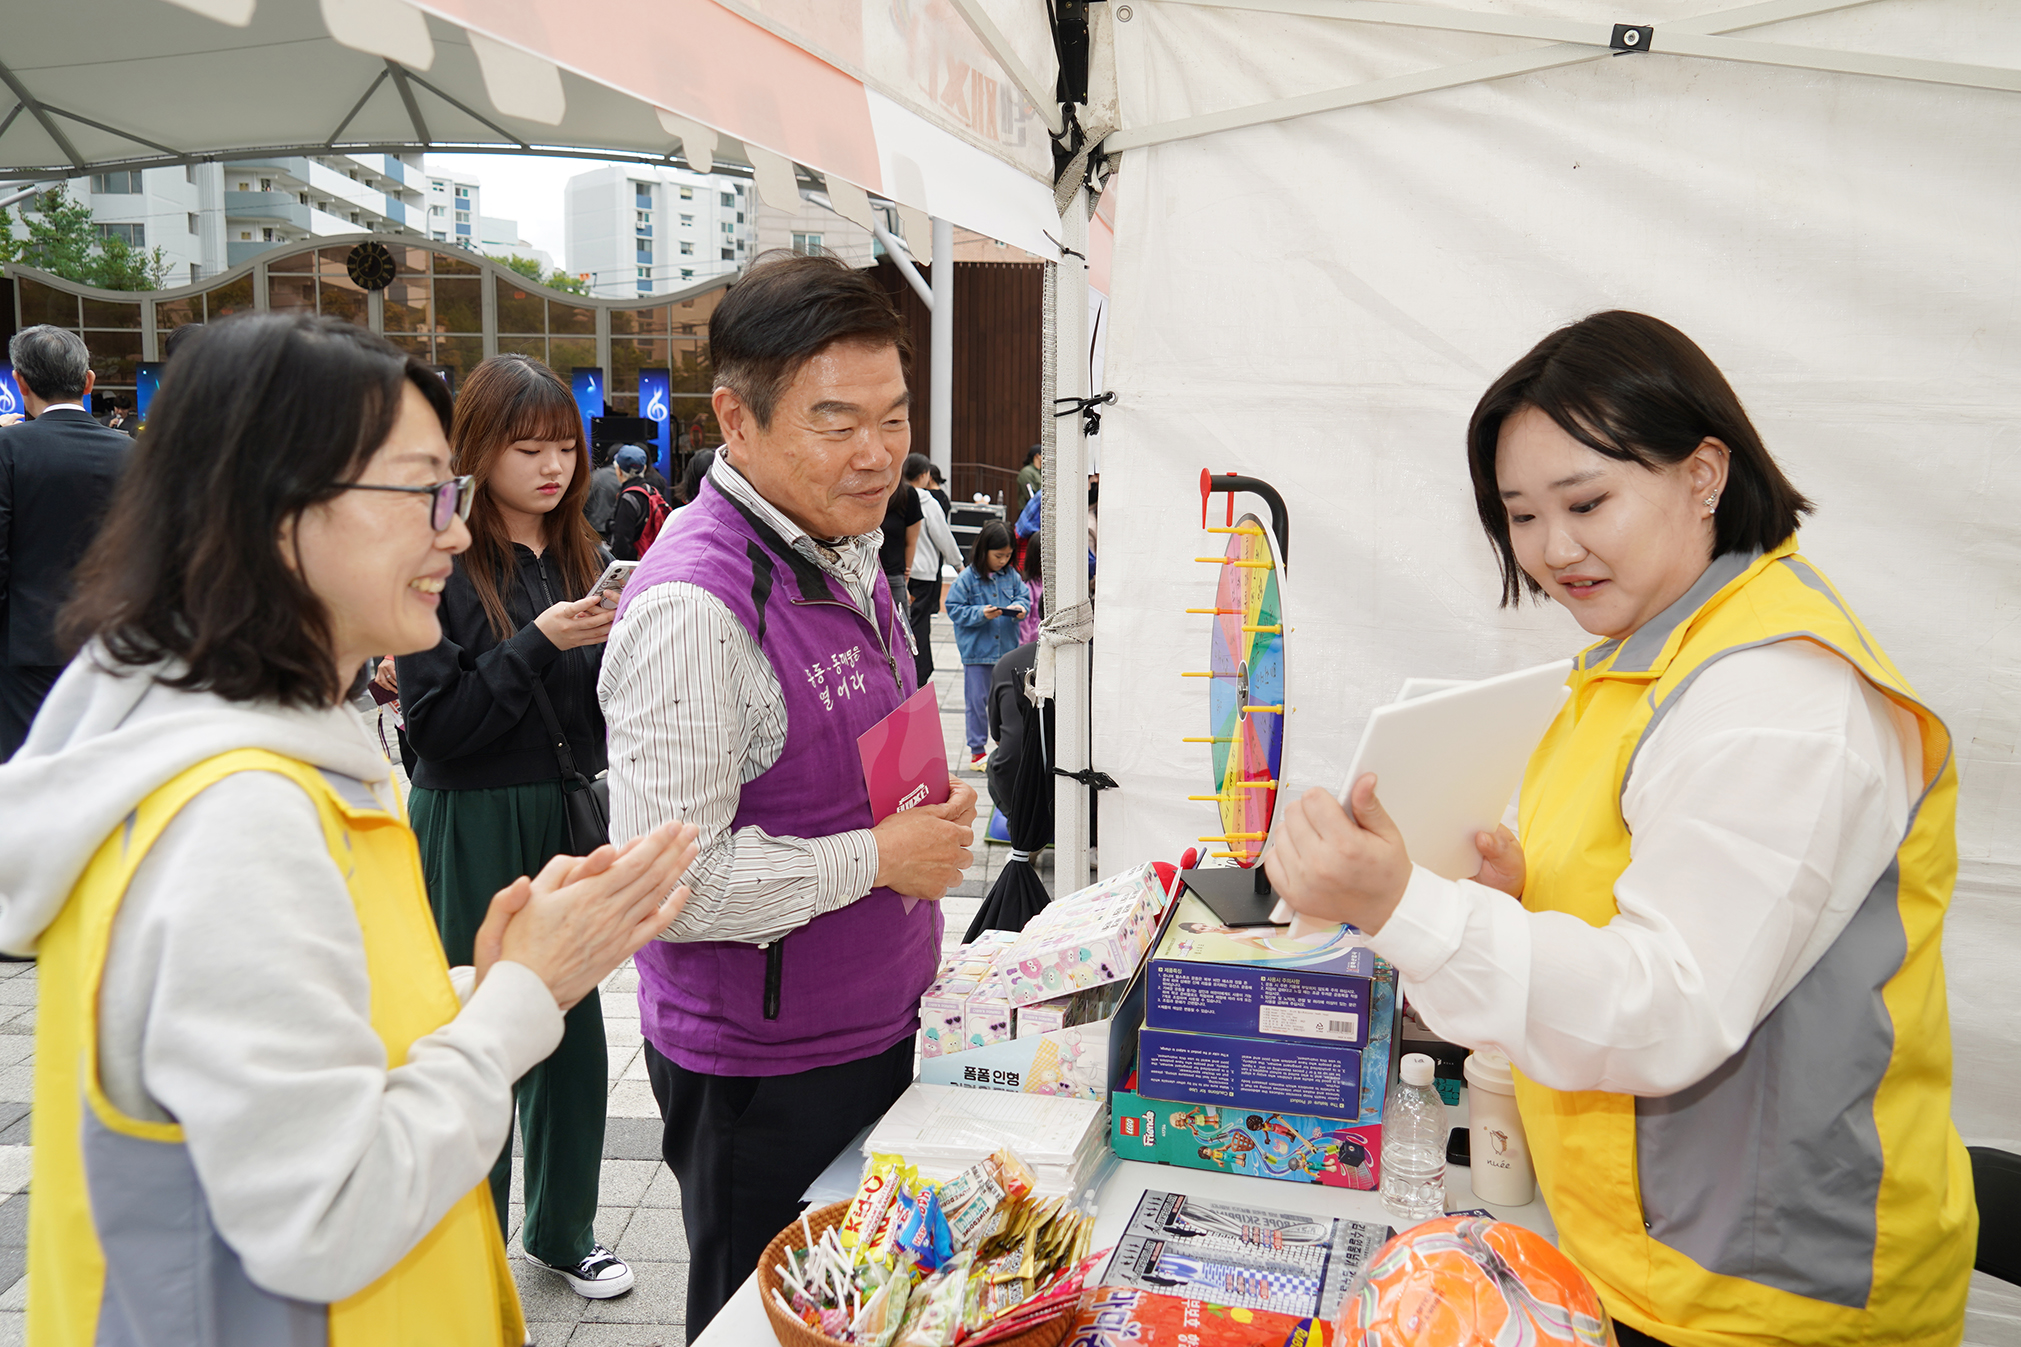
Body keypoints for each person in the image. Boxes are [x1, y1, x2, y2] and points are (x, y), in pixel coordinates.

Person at [1268, 310, 1974, 1346]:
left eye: (1586, 501)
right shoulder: (1636, 661)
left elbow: (1668, 1003)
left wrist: (1403, 905)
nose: (1554, 550)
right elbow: (1624, 921)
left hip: (1760, 1302)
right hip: (1631, 1255)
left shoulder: (1778, 696)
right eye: (1518, 516)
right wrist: (1505, 897)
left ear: (1701, 475)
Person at [0, 313, 697, 1345]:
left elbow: (306, 1056)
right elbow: (322, 1212)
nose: (453, 532)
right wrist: (518, 998)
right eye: (426, 491)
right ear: (278, 508)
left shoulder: (268, 758)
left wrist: (475, 981)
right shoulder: (232, 815)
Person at [598, 251, 977, 1336]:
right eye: (836, 421)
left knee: (867, 1310)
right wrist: (878, 857)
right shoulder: (695, 609)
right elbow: (662, 887)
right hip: (764, 1075)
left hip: (880, 1021)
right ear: (737, 418)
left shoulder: (843, 544)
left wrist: (921, 814)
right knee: (762, 1322)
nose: (877, 455)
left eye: (895, 417)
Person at [395, 352, 637, 1301]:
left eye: (564, 447)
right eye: (527, 446)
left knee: (573, 1033)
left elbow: (594, 708)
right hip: (469, 813)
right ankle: (472, 1236)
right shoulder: (442, 553)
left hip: (566, 808)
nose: (550, 465)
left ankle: (564, 1229)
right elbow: (440, 723)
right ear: (480, 448)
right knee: (478, 1022)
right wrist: (542, 642)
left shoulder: (579, 544)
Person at [0, 326, 133, 758]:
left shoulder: (9, 449)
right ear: (88, 381)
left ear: (20, 382)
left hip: (28, 649)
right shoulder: (135, 454)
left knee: (30, 775)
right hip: (117, 647)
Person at [945, 521, 1030, 774]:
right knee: (977, 702)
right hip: (977, 655)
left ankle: (1005, 746)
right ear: (984, 551)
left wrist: (1019, 608)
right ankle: (977, 752)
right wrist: (981, 613)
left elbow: (1023, 596)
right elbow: (954, 609)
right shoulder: (967, 578)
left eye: (1008, 555)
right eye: (998, 555)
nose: (1004, 560)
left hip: (1006, 653)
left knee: (1008, 702)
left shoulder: (1011, 576)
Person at [906, 452, 962, 685]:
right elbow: (943, 537)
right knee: (920, 627)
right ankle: (919, 673)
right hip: (925, 573)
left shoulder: (892, 497)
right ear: (924, 475)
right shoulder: (928, 502)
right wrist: (959, 565)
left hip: (899, 573)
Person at [878, 464, 923, 622]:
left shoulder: (907, 493)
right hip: (859, 575)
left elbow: (911, 540)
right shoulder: (861, 490)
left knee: (900, 629)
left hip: (893, 575)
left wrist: (907, 569)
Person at [610, 445, 671, 561]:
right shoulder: (651, 491)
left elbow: (622, 543)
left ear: (619, 471)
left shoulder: (628, 498)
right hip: (651, 558)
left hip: (633, 566)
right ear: (644, 468)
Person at [584, 443, 621, 541]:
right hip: (617, 530)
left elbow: (583, 501)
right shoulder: (628, 480)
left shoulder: (596, 476)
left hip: (594, 528)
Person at [1015, 444, 1042, 515]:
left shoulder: (1041, 472)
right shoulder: (1026, 472)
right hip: (1029, 513)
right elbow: (1031, 495)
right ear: (1037, 456)